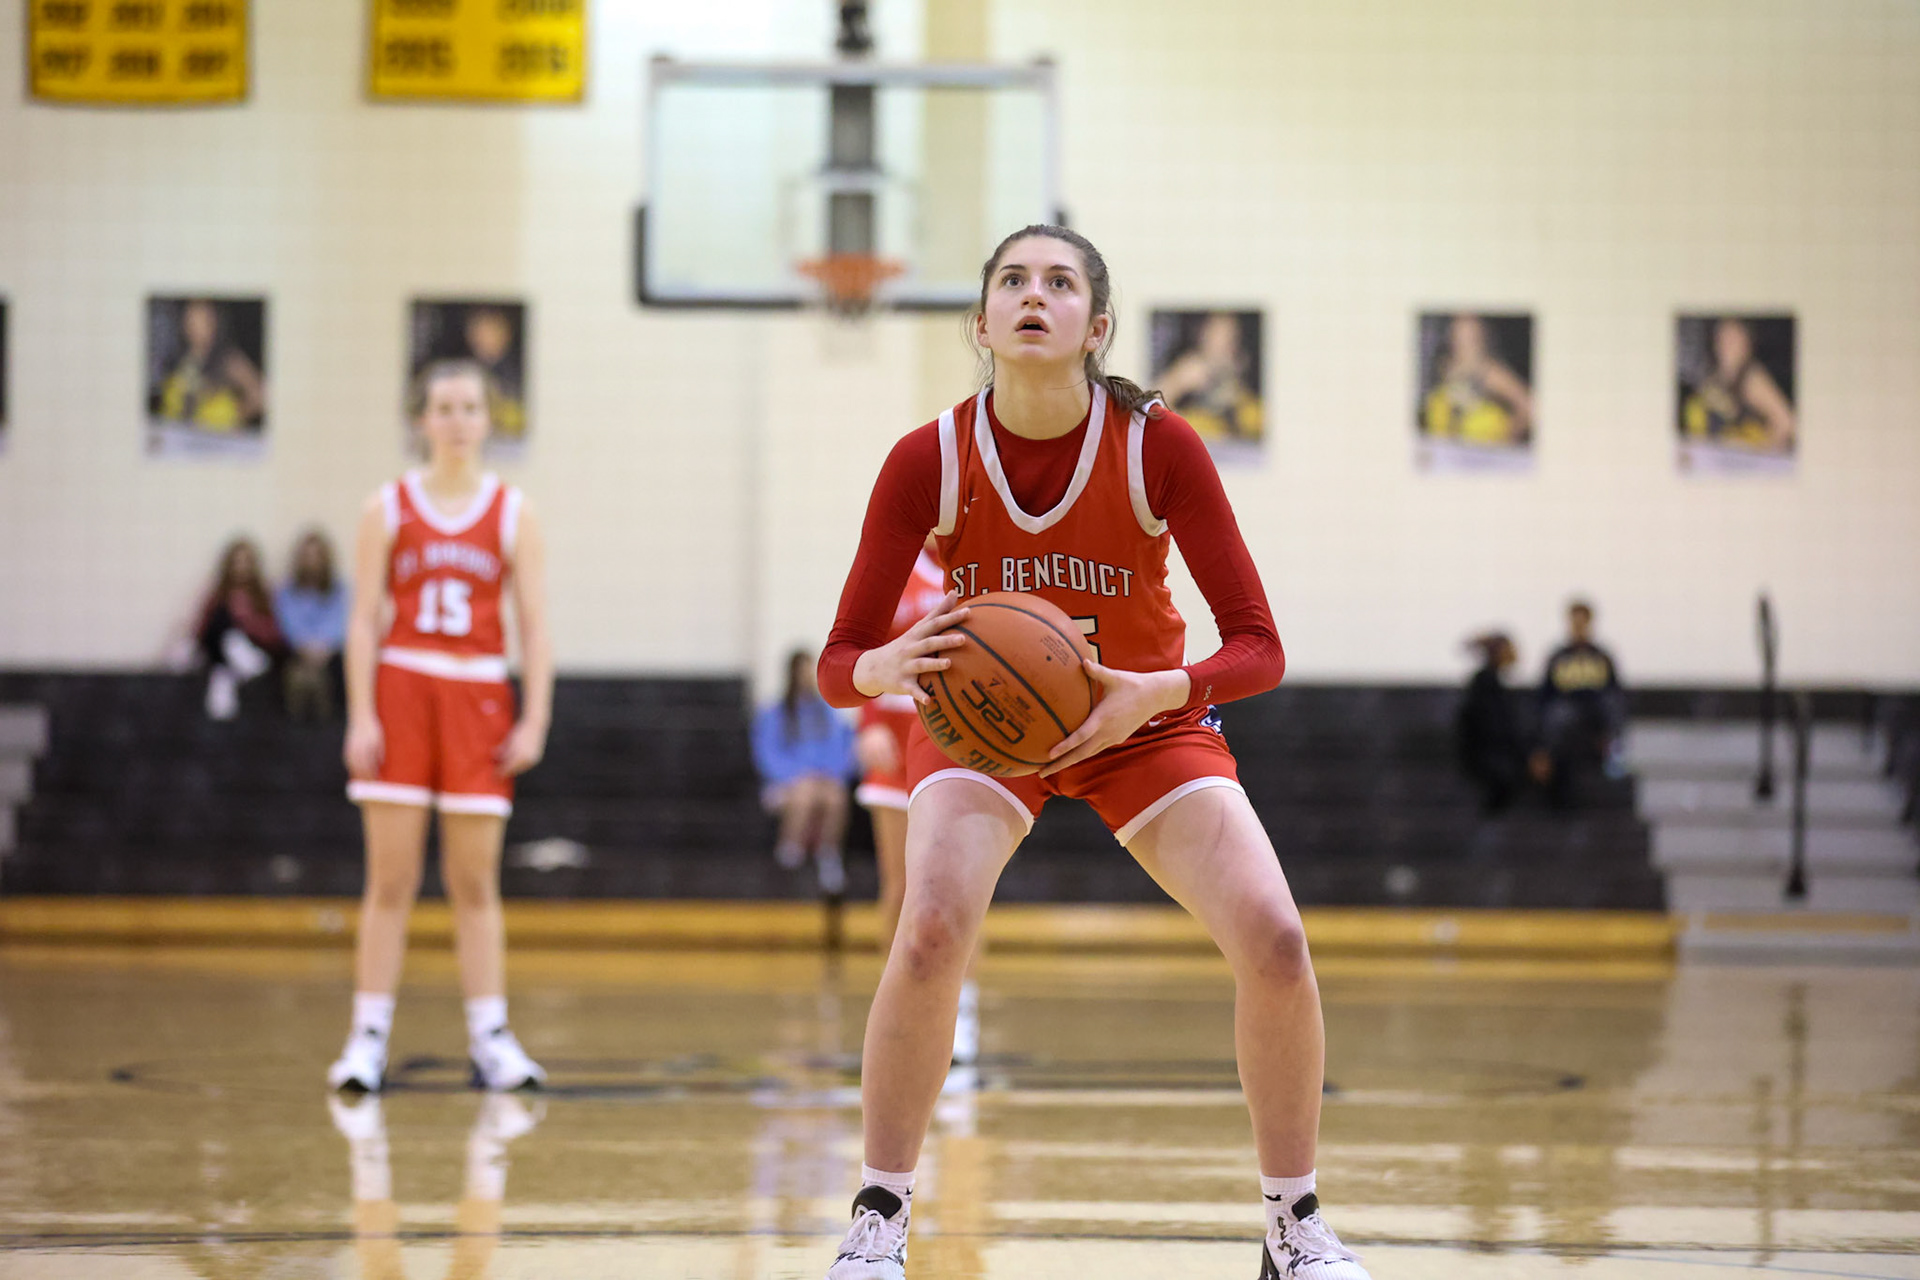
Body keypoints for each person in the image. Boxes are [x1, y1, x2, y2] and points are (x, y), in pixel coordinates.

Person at [814, 225, 1369, 1280]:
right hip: (989, 727)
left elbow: (1261, 646)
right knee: (928, 927)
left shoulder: (1159, 446)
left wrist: (1161, 691)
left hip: (1143, 716)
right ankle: (879, 1216)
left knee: (1276, 936)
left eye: (1059, 283)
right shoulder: (925, 458)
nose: (1034, 295)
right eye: (1012, 281)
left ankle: (1292, 1223)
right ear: (981, 322)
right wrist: (889, 664)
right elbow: (839, 662)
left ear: (1096, 326)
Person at [329, 358, 552, 1094]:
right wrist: (360, 712)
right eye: (444, 408)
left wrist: (536, 716)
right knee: (389, 880)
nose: (457, 421)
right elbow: (362, 621)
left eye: (469, 408)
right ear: (421, 420)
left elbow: (535, 627)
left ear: (488, 420)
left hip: (478, 699)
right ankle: (366, 1037)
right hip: (402, 690)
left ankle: (490, 1038)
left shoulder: (514, 511)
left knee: (474, 883)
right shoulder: (385, 508)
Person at [852, 541, 983, 1066]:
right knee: (902, 887)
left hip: (960, 737)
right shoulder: (894, 570)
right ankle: (899, 1016)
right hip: (895, 734)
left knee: (966, 890)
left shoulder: (983, 563)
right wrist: (864, 728)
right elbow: (858, 651)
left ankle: (962, 1018)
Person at [753, 649, 857, 900]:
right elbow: (767, 755)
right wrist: (798, 776)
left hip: (824, 781)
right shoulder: (773, 713)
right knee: (803, 795)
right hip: (785, 785)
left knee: (835, 798)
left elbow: (843, 750)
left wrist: (826, 773)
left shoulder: (828, 712)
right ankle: (790, 854)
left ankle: (828, 856)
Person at [1531, 600, 1627, 808]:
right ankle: (1549, 758)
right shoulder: (1559, 656)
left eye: (1582, 622)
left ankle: (1614, 755)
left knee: (1613, 704)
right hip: (1568, 709)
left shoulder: (1602, 656)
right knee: (1558, 714)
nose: (1579, 627)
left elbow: (1614, 690)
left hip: (1595, 709)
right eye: (1575, 622)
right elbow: (1545, 696)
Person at [195, 537, 286, 721]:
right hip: (222, 649)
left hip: (255, 646)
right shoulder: (218, 594)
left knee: (232, 629)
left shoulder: (264, 595)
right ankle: (231, 661)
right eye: (237, 562)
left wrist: (247, 619)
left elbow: (274, 634)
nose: (241, 568)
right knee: (223, 619)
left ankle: (233, 661)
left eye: (246, 561)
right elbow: (202, 631)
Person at [1681, 316, 1795, 452]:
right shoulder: (1711, 376)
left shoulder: (1752, 378)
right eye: (1723, 337)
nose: (1727, 344)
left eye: (1734, 339)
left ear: (1746, 344)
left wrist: (1760, 452)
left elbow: (1787, 423)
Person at [1421, 313, 1532, 446]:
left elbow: (1530, 407)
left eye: (1471, 338)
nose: (1463, 341)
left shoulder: (1490, 371)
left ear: (1481, 338)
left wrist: (1506, 441)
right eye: (1458, 335)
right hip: (1444, 452)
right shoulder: (1444, 365)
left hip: (1481, 456)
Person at [156, 299, 266, 432]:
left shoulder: (228, 358)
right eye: (191, 318)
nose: (196, 325)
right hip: (177, 440)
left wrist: (233, 417)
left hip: (216, 444)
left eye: (203, 319)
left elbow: (262, 394)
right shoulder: (177, 356)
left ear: (215, 322)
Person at [276, 528, 349, 722]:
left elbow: (340, 624)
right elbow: (288, 625)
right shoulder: (287, 591)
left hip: (330, 654)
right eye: (307, 555)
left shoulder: (340, 590)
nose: (312, 561)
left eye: (317, 555)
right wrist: (305, 647)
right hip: (298, 653)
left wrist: (323, 647)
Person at [1155, 311, 1262, 444]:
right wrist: (1175, 382)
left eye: (1231, 339)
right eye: (1216, 335)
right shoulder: (1187, 409)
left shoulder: (1252, 411)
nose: (1226, 346)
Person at [1455, 632, 1530, 814]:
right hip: (1487, 756)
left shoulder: (1493, 683)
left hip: (1495, 753)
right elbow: (1494, 727)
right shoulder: (1486, 684)